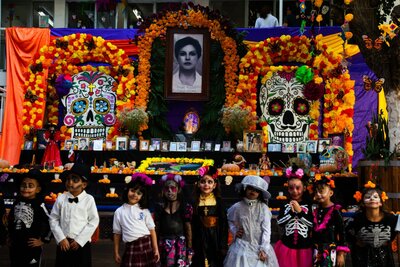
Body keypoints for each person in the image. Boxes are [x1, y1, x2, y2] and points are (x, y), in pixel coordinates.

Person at [49, 163, 99, 267]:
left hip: (82, 244)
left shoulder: (89, 199)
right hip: (64, 243)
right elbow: (53, 219)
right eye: (68, 179)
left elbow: (93, 221)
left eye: (75, 180)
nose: (70, 182)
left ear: (84, 184)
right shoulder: (61, 198)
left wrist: (80, 240)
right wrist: (61, 238)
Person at [224, 175, 279, 267]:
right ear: (244, 189)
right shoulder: (237, 207)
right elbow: (229, 219)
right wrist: (235, 231)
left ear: (260, 193)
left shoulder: (263, 208)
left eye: (256, 190)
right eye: (250, 188)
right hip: (242, 246)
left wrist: (264, 248)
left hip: (259, 246)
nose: (253, 191)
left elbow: (266, 230)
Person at [346, 184, 400, 267]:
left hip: (385, 258)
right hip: (362, 258)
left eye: (375, 196)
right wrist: (357, 242)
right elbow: (346, 234)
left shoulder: (391, 219)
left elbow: (394, 234)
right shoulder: (356, 219)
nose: (371, 198)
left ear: (381, 202)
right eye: (368, 197)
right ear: (363, 203)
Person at [113, 173, 160, 266]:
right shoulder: (119, 212)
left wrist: (156, 249)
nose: (135, 195)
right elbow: (117, 233)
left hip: (146, 245)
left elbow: (152, 230)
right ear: (127, 190)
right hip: (131, 247)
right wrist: (116, 252)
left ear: (142, 196)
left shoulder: (145, 211)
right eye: (132, 191)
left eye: (139, 193)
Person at [7, 168, 51, 266]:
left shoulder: (40, 205)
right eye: (23, 185)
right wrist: (9, 236)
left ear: (38, 189)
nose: (26, 188)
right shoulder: (16, 202)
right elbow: (11, 220)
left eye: (30, 186)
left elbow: (50, 221)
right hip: (15, 245)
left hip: (31, 246)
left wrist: (43, 240)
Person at [274, 165, 313, 267]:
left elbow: (313, 224)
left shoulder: (310, 205)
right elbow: (280, 222)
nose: (295, 191)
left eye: (298, 188)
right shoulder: (285, 204)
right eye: (291, 188)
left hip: (304, 249)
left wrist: (300, 212)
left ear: (304, 188)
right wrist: (291, 213)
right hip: (286, 248)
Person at [191, 166, 228, 267]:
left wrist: (223, 245)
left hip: (214, 238)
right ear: (198, 184)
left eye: (210, 182)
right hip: (198, 238)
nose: (206, 185)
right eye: (203, 182)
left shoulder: (219, 202)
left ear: (215, 185)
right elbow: (191, 223)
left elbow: (224, 225)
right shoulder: (194, 202)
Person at [154, 173, 193, 266]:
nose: (170, 191)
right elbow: (156, 229)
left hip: (180, 244)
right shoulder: (160, 208)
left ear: (178, 190)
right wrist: (155, 248)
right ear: (163, 190)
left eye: (173, 188)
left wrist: (189, 250)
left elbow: (188, 229)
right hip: (164, 244)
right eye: (167, 188)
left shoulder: (185, 207)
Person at [312, 174, 349, 267]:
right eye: (316, 192)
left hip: (331, 249)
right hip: (317, 249)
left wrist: (341, 253)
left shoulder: (335, 210)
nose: (318, 194)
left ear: (331, 193)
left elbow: (342, 232)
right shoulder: (315, 210)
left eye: (321, 191)